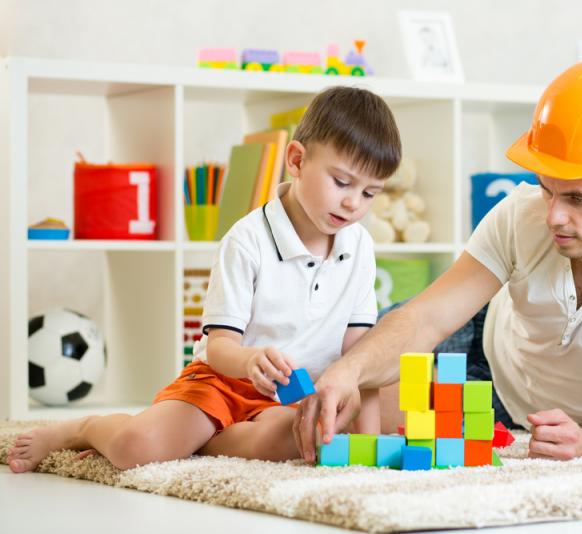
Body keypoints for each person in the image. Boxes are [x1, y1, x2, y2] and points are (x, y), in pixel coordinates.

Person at [294, 59, 582, 462]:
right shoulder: (522, 213)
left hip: (503, 405)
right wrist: (351, 368)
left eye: (578, 198)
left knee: (336, 420)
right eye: (547, 188)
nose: (554, 215)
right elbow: (426, 320)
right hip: (483, 330)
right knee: (322, 372)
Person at [8, 86, 402, 472]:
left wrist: (367, 447)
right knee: (136, 448)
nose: (353, 204)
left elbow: (359, 358)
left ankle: (203, 442)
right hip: (223, 380)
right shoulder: (248, 240)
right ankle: (85, 428)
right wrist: (250, 360)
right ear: (296, 161)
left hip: (292, 398)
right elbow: (220, 349)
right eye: (342, 182)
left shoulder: (360, 247)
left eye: (370, 193)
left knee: (309, 440)